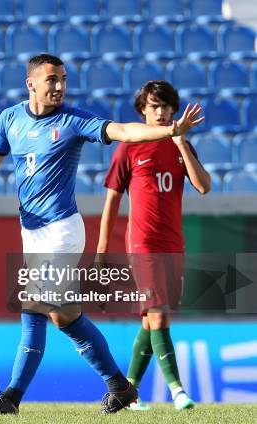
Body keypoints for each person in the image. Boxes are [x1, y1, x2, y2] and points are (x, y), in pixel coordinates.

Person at [0, 54, 205, 415]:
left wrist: (169, 131)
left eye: (63, 79)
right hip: (32, 231)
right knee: (61, 314)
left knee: (34, 307)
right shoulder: (10, 119)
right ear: (31, 83)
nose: (59, 86)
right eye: (52, 79)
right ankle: (119, 386)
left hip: (62, 229)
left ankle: (13, 397)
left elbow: (123, 131)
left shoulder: (72, 120)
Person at [97, 80, 211, 411]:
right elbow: (111, 202)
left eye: (165, 106)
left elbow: (203, 187)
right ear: (142, 111)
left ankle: (127, 391)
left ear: (174, 110)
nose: (160, 112)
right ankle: (178, 391)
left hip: (173, 243)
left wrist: (181, 144)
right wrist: (102, 250)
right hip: (142, 244)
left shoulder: (181, 145)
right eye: (153, 106)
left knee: (150, 321)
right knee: (159, 316)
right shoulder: (128, 148)